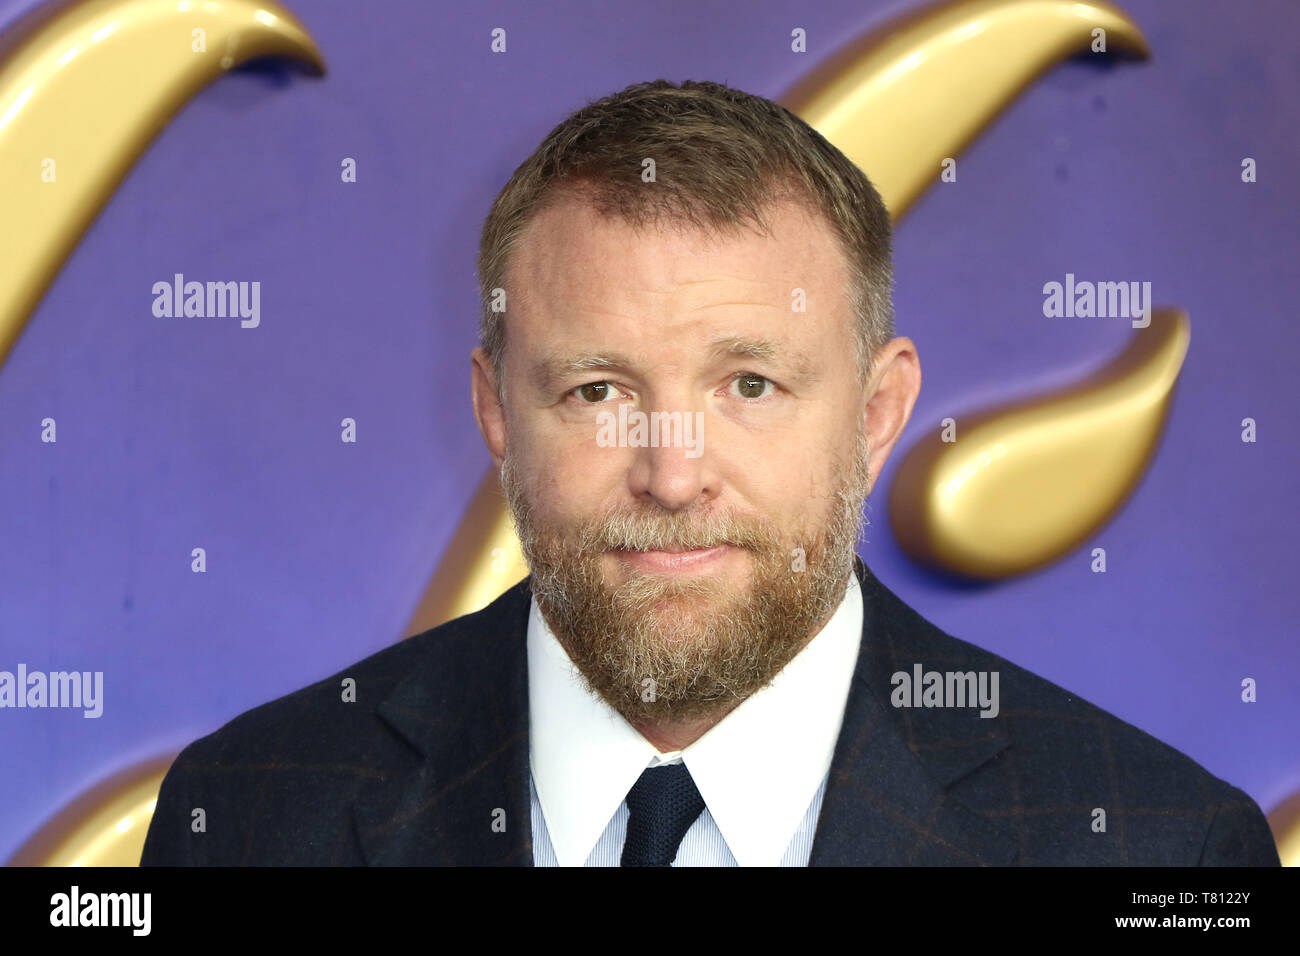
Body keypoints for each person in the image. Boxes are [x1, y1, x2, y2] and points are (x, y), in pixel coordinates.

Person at [141, 79, 1279, 866]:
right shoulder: (247, 815)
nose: (673, 476)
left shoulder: (1150, 842)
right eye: (598, 390)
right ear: (495, 410)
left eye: (749, 386)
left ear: (879, 411)